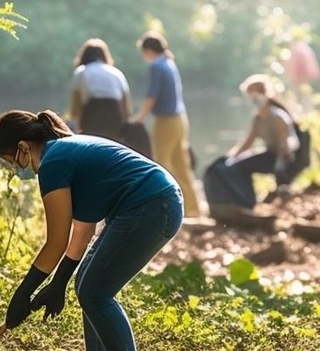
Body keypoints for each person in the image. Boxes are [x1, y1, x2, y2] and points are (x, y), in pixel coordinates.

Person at [0, 108, 183, 351]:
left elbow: (55, 243)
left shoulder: (53, 163)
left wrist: (23, 293)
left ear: (24, 148)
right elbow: (81, 232)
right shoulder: (63, 153)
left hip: (151, 204)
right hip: (150, 203)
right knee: (87, 285)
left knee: (95, 292)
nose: (16, 170)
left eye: (13, 162)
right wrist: (59, 284)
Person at [129, 30, 201, 217]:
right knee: (181, 165)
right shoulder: (169, 63)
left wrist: (139, 117)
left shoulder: (156, 66)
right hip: (180, 120)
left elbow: (152, 97)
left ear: (149, 51)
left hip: (166, 121)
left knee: (161, 165)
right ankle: (194, 209)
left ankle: (167, 210)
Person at [205, 75, 301, 210]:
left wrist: (285, 150)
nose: (252, 99)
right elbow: (248, 142)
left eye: (255, 94)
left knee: (280, 169)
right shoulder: (257, 118)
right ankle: (248, 201)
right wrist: (230, 158)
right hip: (270, 155)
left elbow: (287, 141)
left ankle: (283, 201)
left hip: (285, 157)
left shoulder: (277, 116)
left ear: (264, 94)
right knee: (240, 165)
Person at [67, 38, 132, 141]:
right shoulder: (117, 73)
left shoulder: (81, 72)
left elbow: (75, 110)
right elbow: (126, 108)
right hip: (114, 119)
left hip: (91, 118)